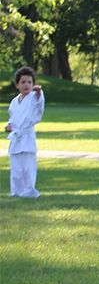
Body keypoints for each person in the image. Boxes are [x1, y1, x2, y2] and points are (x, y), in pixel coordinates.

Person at [6, 66, 44, 198]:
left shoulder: (34, 97)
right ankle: (16, 191)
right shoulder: (14, 102)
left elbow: (39, 107)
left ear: (33, 84)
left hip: (27, 137)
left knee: (28, 168)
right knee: (16, 168)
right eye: (23, 82)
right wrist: (9, 126)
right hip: (16, 138)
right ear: (17, 85)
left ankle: (29, 191)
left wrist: (38, 93)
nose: (26, 85)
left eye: (29, 82)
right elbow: (13, 118)